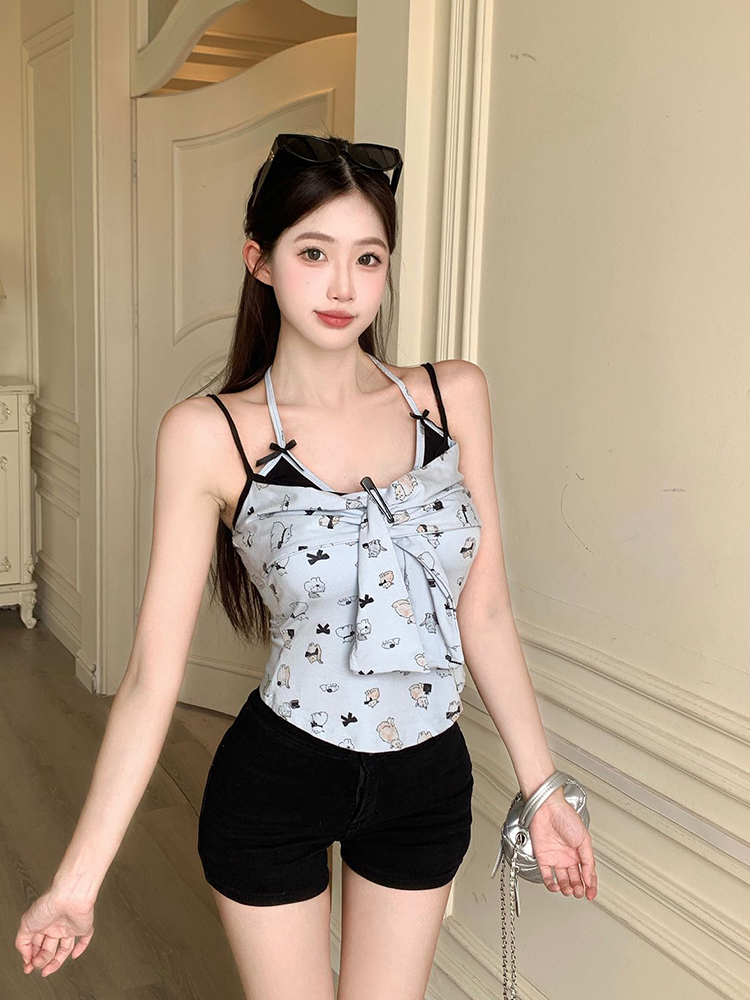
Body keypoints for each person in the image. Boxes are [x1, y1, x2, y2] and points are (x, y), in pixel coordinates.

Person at [15, 132, 597, 998]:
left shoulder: (453, 397)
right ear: (260, 260)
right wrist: (75, 885)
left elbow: (484, 614)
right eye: (313, 253)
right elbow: (150, 676)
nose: (342, 287)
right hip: (279, 778)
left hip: (426, 779)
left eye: (368, 257)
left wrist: (543, 789)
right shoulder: (209, 433)